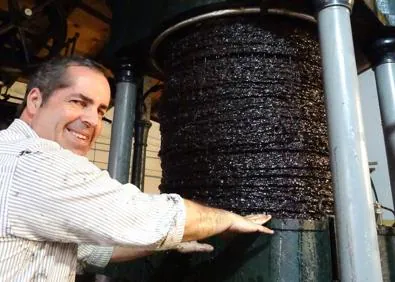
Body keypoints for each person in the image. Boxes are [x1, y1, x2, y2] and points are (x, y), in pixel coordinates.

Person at [0, 56, 273, 281]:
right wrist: (224, 219)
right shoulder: (33, 162)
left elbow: (93, 251)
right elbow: (141, 214)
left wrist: (169, 241)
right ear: (34, 100)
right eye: (78, 102)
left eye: (100, 110)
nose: (92, 120)